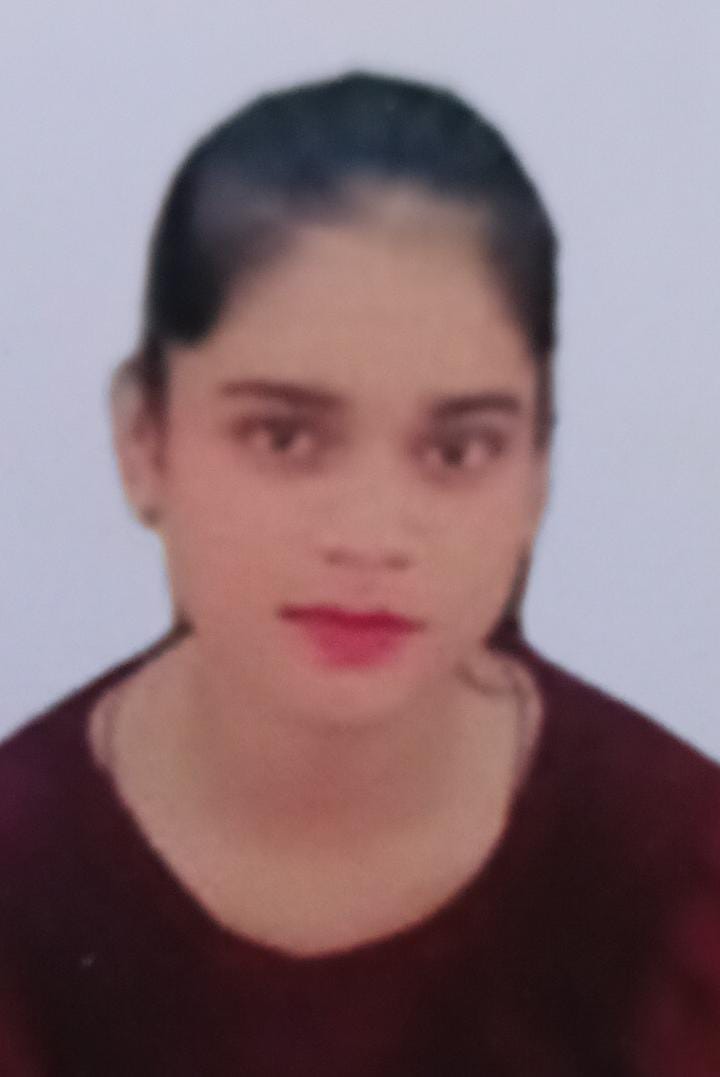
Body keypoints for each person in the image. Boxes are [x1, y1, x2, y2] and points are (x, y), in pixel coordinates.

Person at [1, 69, 719, 1076]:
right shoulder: (21, 869)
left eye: (458, 450)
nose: (372, 537)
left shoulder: (680, 869)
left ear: (536, 474)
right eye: (285, 437)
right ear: (144, 440)